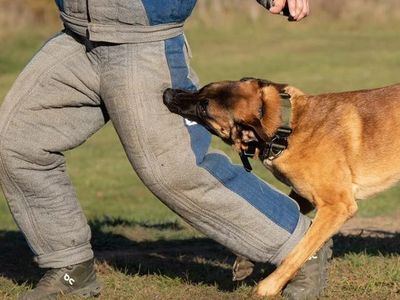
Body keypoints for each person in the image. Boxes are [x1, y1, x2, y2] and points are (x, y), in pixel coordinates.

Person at [0, 0, 330, 299]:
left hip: (144, 42)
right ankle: (70, 266)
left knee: (175, 169)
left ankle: (300, 245)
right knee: (16, 141)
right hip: (77, 36)